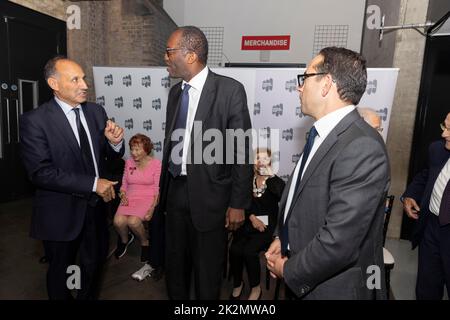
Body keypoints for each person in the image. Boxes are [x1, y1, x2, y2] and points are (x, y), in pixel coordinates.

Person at [266, 47, 390, 300]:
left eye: (305, 78)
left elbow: (339, 242)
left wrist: (288, 269)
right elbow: (302, 199)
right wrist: (284, 237)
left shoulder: (361, 146)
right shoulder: (324, 135)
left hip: (331, 289)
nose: (299, 88)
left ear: (326, 84)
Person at [19, 56, 125, 300]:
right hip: (61, 214)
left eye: (84, 78)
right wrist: (92, 184)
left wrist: (116, 143)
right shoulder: (35, 121)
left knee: (93, 268)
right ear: (54, 84)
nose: (84, 85)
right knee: (63, 274)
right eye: (75, 79)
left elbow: (107, 158)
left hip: (96, 212)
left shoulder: (97, 112)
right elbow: (40, 172)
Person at [159, 26, 253, 299]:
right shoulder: (176, 93)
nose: (165, 57)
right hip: (175, 193)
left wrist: (237, 203)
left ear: (190, 55)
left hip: (212, 199)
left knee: (207, 273)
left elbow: (240, 151)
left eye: (169, 51)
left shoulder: (230, 90)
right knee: (175, 269)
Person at [402, 112, 450, 300]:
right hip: (431, 226)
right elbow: (425, 175)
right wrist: (410, 195)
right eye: (444, 127)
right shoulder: (437, 150)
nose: (444, 134)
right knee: (427, 288)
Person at [229, 148, 285, 300]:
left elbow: (284, 198)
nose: (260, 162)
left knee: (249, 251)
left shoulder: (274, 181)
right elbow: (242, 203)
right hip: (248, 222)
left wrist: (270, 175)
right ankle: (238, 283)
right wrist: (252, 218)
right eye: (257, 159)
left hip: (267, 228)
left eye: (264, 159)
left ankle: (255, 287)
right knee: (235, 249)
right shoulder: (247, 181)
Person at [113, 134, 161, 266]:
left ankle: (145, 243)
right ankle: (124, 240)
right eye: (132, 149)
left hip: (147, 197)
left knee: (133, 222)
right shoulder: (128, 162)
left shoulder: (156, 164)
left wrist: (152, 209)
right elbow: (124, 185)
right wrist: (122, 195)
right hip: (130, 196)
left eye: (137, 149)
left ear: (146, 149)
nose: (133, 153)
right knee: (118, 221)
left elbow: (157, 189)